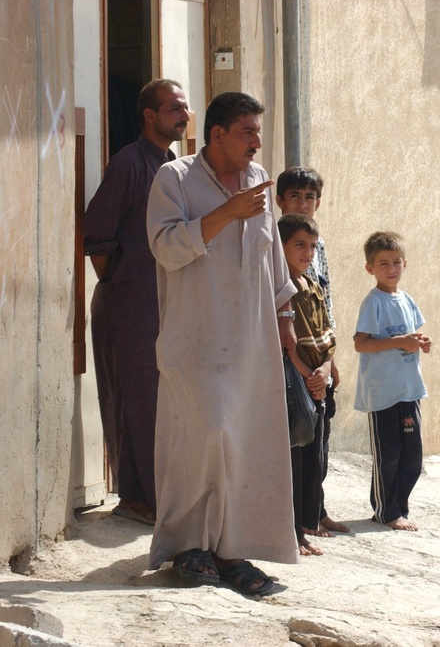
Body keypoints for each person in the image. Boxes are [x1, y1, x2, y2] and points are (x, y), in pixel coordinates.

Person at [145, 91, 298, 596]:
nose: (257, 141)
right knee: (203, 437)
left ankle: (233, 552)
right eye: (247, 131)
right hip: (195, 341)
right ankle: (189, 545)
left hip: (251, 347)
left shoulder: (258, 181)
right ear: (217, 135)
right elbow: (166, 248)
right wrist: (226, 214)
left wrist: (286, 321)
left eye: (259, 131)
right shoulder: (175, 178)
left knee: (243, 445)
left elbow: (271, 259)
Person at [83, 78, 190, 526]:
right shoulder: (129, 163)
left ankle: (148, 493)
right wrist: (118, 283)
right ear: (149, 115)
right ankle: (138, 496)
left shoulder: (176, 167)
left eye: (185, 108)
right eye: (173, 108)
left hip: (164, 303)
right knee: (134, 397)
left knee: (160, 400)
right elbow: (97, 234)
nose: (183, 116)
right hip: (128, 302)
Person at [275, 168, 349, 537]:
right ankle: (298, 522)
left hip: (319, 358)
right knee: (298, 444)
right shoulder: (277, 247)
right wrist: (308, 370)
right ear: (280, 201)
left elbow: (326, 304)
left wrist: (329, 362)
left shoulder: (316, 248)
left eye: (309, 197)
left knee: (320, 442)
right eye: (295, 196)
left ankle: (316, 511)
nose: (303, 203)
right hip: (295, 366)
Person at [354, 231, 431, 531]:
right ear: (370, 268)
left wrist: (421, 342)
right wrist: (400, 342)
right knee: (388, 454)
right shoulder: (372, 302)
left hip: (408, 391)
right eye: (383, 263)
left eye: (396, 262)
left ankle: (400, 506)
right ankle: (385, 511)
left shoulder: (407, 299)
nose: (391, 269)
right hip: (382, 394)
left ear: (405, 264)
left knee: (412, 455)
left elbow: (413, 336)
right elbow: (361, 343)